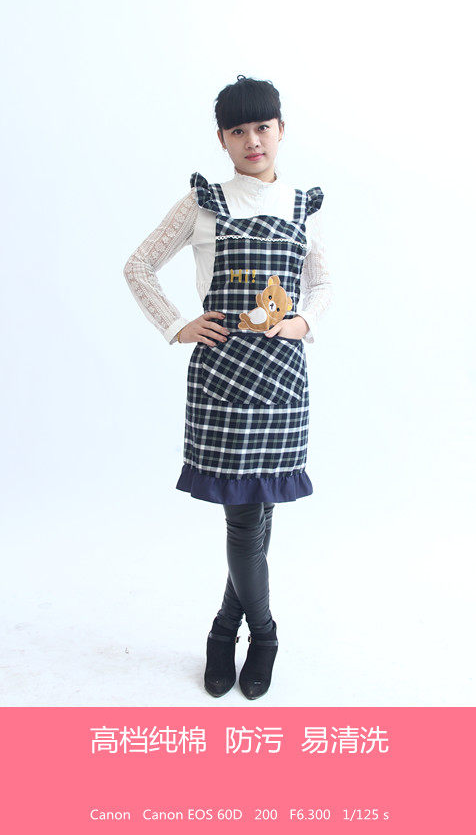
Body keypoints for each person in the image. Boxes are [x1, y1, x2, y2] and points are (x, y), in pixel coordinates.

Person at [124, 75, 332, 700]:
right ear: (222, 139)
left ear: (281, 130)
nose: (252, 140)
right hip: (223, 377)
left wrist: (304, 322)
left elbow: (323, 284)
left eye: (262, 127)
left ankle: (223, 628)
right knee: (244, 521)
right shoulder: (203, 203)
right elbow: (138, 266)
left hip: (283, 378)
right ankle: (262, 635)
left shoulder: (302, 204)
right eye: (238, 130)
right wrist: (176, 325)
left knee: (258, 514)